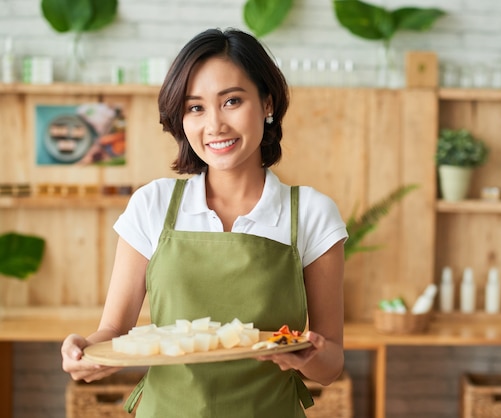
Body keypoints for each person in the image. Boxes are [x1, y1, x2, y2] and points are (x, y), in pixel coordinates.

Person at [61, 27, 347, 417]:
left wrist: (306, 357)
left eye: (231, 101)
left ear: (267, 103)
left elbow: (331, 364)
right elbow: (113, 332)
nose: (214, 125)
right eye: (195, 107)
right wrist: (86, 351)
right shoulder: (153, 204)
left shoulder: (312, 213)